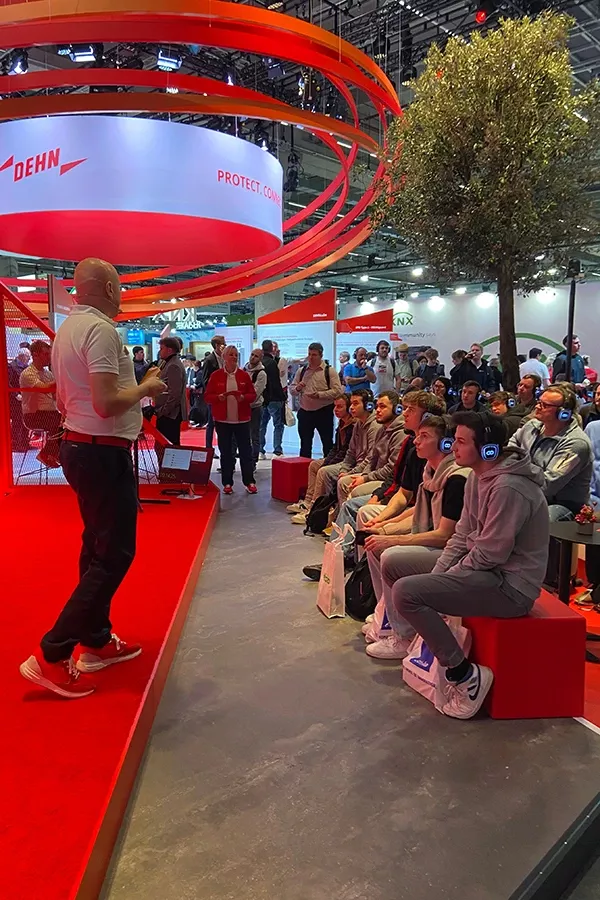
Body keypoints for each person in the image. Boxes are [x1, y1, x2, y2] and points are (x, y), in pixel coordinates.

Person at [19, 257, 167, 698]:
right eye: (118, 285)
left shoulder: (67, 329)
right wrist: (147, 387)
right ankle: (53, 649)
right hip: (101, 453)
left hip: (85, 450)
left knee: (97, 546)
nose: (122, 294)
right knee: (114, 554)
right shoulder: (100, 330)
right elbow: (105, 403)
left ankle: (96, 638)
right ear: (105, 286)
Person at [373, 410, 549, 718]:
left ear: (488, 449)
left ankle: (464, 674)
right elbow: (461, 536)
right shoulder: (477, 478)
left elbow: (491, 553)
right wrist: (441, 576)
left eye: (461, 442)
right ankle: (403, 637)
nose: (452, 448)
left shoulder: (509, 487)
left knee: (407, 593)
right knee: (394, 566)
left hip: (510, 587)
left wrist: (445, 582)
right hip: (486, 574)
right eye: (453, 440)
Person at [302, 391, 441, 578]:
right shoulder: (407, 441)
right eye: (404, 408)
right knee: (342, 487)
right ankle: (339, 557)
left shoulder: (415, 444)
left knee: (357, 505)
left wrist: (384, 516)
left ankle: (348, 561)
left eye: (410, 409)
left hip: (409, 505)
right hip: (394, 493)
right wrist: (375, 494)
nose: (405, 413)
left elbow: (396, 480)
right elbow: (397, 483)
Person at [364, 414, 470, 657]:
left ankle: (404, 635)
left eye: (424, 437)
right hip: (438, 541)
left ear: (445, 443)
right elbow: (418, 512)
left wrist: (392, 538)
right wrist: (384, 527)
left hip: (456, 554)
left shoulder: (456, 478)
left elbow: (444, 536)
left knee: (390, 555)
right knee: (373, 540)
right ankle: (388, 617)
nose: (416, 442)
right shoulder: (431, 472)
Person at [508, 383, 592, 586]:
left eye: (545, 405)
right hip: (528, 491)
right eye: (539, 402)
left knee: (544, 515)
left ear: (564, 414)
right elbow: (509, 451)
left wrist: (519, 470)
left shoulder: (576, 444)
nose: (538, 407)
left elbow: (548, 484)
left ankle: (548, 580)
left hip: (563, 504)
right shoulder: (531, 427)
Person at [287, 395, 354, 525]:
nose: (336, 409)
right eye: (334, 406)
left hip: (348, 462)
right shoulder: (341, 424)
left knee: (323, 470)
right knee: (314, 465)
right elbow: (336, 448)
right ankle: (307, 502)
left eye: (340, 406)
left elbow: (347, 452)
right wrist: (327, 460)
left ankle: (313, 508)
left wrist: (328, 463)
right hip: (341, 459)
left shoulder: (353, 426)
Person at [333, 390, 405, 505]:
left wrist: (365, 478)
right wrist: (364, 476)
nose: (378, 410)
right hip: (374, 475)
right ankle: (339, 517)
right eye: (377, 407)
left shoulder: (401, 433)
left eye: (382, 407)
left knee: (354, 490)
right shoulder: (382, 429)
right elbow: (371, 459)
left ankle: (346, 519)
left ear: (397, 409)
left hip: (386, 480)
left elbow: (391, 469)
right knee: (344, 481)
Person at [204, 345, 257, 494]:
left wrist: (243, 397)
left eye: (236, 355)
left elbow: (252, 395)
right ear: (224, 358)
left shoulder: (244, 375)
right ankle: (227, 483)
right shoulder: (216, 376)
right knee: (226, 453)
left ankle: (249, 481)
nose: (234, 357)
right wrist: (218, 398)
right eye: (231, 355)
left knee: (246, 452)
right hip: (223, 421)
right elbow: (207, 397)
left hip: (242, 421)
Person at [313, 388, 379, 501]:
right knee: (324, 470)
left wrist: (350, 472)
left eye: (355, 403)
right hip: (354, 466)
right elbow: (350, 453)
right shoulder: (358, 423)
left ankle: (333, 510)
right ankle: (322, 506)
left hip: (365, 470)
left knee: (335, 477)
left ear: (369, 406)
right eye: (351, 404)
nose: (351, 407)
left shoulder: (374, 426)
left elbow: (370, 459)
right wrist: (344, 470)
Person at [290, 341, 343, 458]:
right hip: (304, 412)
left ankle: (326, 470)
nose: (310, 357)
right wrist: (298, 388)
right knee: (305, 444)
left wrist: (319, 395)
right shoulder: (301, 371)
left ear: (321, 355)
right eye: (309, 354)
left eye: (314, 355)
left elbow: (338, 391)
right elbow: (292, 390)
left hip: (323, 411)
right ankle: (304, 471)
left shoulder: (329, 371)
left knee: (327, 443)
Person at [19, 339, 62, 467]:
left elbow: (55, 395)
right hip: (33, 415)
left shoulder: (48, 374)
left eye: (50, 354)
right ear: (35, 354)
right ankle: (47, 454)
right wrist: (61, 377)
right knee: (59, 421)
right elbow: (43, 388)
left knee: (67, 421)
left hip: (51, 413)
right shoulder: (28, 373)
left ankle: (54, 454)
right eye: (46, 354)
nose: (49, 357)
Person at [154, 337, 187, 446]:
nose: (160, 351)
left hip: (170, 415)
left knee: (168, 446)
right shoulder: (169, 363)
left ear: (169, 350)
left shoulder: (173, 365)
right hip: (168, 413)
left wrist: (163, 411)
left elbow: (175, 394)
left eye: (162, 348)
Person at [259, 339, 286, 459]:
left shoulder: (260, 362)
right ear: (271, 348)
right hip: (274, 398)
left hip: (262, 399)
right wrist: (282, 396)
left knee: (262, 424)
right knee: (278, 424)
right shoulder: (272, 363)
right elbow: (276, 382)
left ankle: (260, 450)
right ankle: (277, 450)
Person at [202, 334, 226, 453]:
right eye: (223, 344)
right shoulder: (209, 360)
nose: (225, 346)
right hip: (214, 396)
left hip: (225, 396)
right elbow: (205, 379)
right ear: (217, 345)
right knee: (211, 422)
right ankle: (208, 447)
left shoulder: (224, 358)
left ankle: (225, 447)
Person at [245, 348, 267, 470]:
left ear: (260, 359)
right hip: (242, 407)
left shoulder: (261, 373)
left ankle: (253, 462)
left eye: (256, 356)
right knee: (242, 436)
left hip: (255, 408)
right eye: (252, 354)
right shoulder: (244, 369)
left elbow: (255, 393)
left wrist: (243, 396)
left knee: (254, 435)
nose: (253, 357)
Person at [8, 349, 31, 451]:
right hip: (15, 400)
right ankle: (16, 443)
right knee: (17, 421)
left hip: (25, 399)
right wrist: (16, 394)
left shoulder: (26, 368)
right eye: (28, 356)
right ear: (22, 356)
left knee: (25, 420)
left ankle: (24, 442)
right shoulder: (11, 367)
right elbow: (7, 383)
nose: (29, 358)